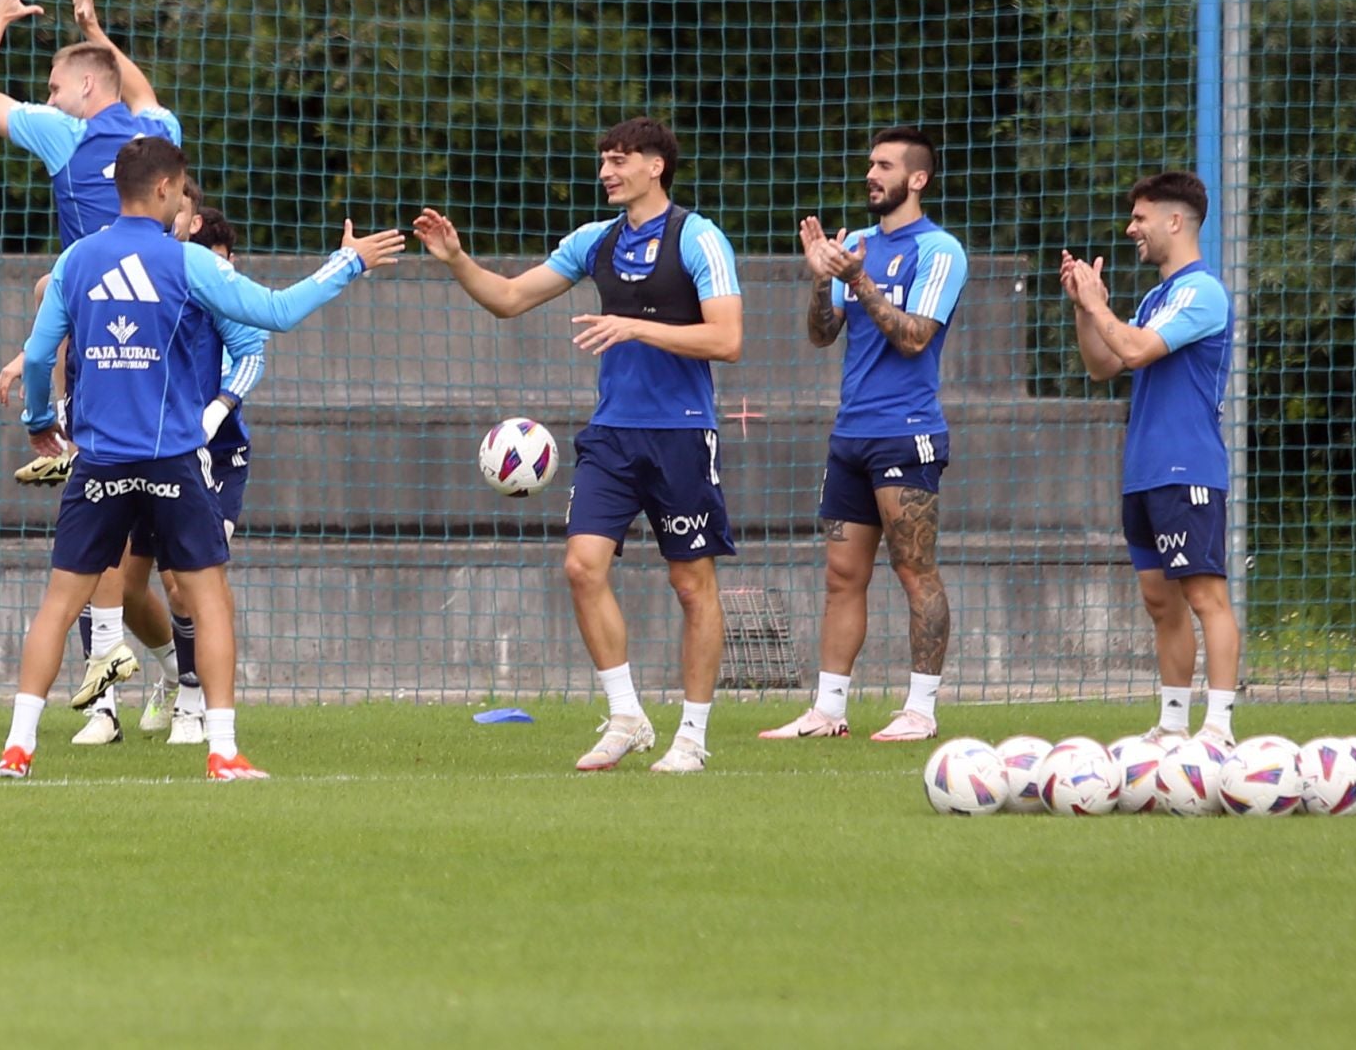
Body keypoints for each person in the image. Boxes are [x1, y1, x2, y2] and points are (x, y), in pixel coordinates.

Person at [0, 138, 404, 780]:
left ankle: (18, 747)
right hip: (171, 462)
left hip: (99, 463)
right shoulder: (186, 264)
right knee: (209, 599)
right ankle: (222, 749)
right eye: (181, 188)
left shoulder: (76, 260)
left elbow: (42, 353)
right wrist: (346, 263)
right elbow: (277, 312)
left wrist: (40, 423)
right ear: (163, 189)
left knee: (58, 601)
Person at [414, 118, 743, 774]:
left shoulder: (699, 237)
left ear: (656, 165)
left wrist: (638, 327)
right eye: (603, 161)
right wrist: (457, 261)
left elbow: (726, 339)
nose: (606, 172)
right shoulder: (596, 241)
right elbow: (508, 299)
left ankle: (693, 736)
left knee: (690, 582)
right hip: (612, 434)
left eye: (619, 160)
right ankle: (626, 716)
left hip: (680, 431)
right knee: (582, 565)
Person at [762, 126, 968, 743]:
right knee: (841, 577)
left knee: (915, 571)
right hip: (850, 435)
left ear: (918, 179)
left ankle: (920, 710)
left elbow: (913, 338)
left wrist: (859, 281)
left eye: (884, 166)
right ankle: (827, 710)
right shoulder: (855, 244)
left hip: (906, 435)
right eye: (870, 165)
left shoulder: (940, 251)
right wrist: (822, 277)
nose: (872, 175)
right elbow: (823, 334)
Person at [0, 0, 181, 485]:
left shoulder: (64, 132)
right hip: (165, 306)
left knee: (51, 288)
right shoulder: (158, 129)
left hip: (102, 311)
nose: (49, 97)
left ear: (84, 89)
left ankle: (64, 430)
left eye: (55, 88)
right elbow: (141, 92)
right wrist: (95, 32)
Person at [66, 204, 266, 748]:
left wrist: (216, 411)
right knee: (119, 581)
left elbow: (253, 353)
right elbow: (56, 297)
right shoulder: (156, 277)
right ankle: (137, 690)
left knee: (188, 582)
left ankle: (195, 698)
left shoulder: (220, 291)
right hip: (151, 450)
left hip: (217, 455)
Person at [1061, 171, 1238, 742]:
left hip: (1188, 467)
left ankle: (1218, 727)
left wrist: (1103, 310)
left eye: (1140, 218)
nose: (1131, 228)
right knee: (1160, 600)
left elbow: (1134, 349)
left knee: (1205, 595)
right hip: (1144, 470)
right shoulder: (1158, 296)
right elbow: (1102, 364)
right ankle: (1171, 726)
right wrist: (1088, 311)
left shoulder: (1202, 291)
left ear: (1174, 220)